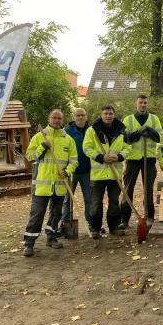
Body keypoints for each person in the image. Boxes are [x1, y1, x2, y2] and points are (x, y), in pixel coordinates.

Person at [23, 109, 78, 257]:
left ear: (62, 120)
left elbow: (74, 160)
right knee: (36, 215)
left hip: (60, 185)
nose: (56, 120)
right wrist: (42, 147)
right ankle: (29, 244)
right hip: (42, 186)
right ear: (49, 119)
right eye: (54, 117)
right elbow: (29, 156)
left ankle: (51, 237)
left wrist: (67, 171)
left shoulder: (68, 140)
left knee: (56, 214)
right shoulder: (39, 137)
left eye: (59, 118)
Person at [83, 105, 130, 239]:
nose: (108, 116)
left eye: (110, 113)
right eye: (105, 113)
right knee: (96, 202)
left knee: (114, 202)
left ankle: (114, 227)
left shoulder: (121, 130)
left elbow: (128, 147)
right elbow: (86, 147)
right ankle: (95, 228)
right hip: (98, 175)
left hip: (115, 173)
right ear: (101, 114)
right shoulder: (92, 130)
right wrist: (100, 157)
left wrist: (119, 156)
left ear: (114, 115)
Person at [121, 94, 162, 225]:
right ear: (136, 103)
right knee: (128, 189)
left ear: (147, 104)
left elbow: (159, 137)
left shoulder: (154, 119)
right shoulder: (128, 120)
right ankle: (124, 220)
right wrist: (139, 132)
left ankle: (149, 217)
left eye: (145, 103)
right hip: (132, 159)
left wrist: (149, 129)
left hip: (149, 159)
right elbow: (125, 138)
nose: (143, 105)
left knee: (148, 190)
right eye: (140, 102)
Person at [60, 107, 92, 234]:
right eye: (78, 115)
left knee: (89, 198)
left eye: (82, 115)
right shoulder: (66, 131)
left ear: (86, 116)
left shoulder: (91, 130)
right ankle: (64, 222)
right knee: (68, 198)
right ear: (73, 117)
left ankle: (90, 223)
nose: (80, 117)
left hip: (87, 170)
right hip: (71, 171)